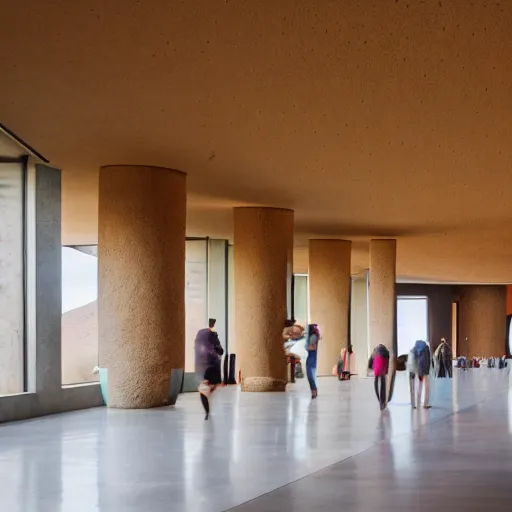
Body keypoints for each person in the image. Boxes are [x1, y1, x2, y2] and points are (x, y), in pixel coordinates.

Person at [195, 318, 224, 420]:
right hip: (211, 365)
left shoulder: (200, 335)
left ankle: (206, 390)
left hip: (202, 366)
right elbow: (220, 350)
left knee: (208, 383)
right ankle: (206, 390)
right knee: (209, 384)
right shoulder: (212, 335)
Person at [408, 340, 432, 409]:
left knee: (419, 385)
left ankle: (417, 403)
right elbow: (427, 360)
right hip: (424, 369)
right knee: (426, 386)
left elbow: (412, 359)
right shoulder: (426, 348)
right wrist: (427, 371)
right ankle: (425, 404)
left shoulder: (414, 348)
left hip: (417, 368)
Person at [369, 344, 390, 410]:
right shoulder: (386, 352)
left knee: (376, 382)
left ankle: (379, 400)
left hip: (377, 369)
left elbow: (370, 361)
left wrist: (371, 368)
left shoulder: (375, 352)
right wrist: (386, 371)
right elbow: (387, 363)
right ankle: (382, 401)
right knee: (383, 384)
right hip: (383, 369)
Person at [305, 324, 320, 399]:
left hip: (312, 355)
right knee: (310, 374)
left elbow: (311, 347)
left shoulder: (313, 337)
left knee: (309, 373)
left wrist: (306, 347)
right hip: (311, 355)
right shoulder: (313, 336)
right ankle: (314, 390)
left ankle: (314, 390)